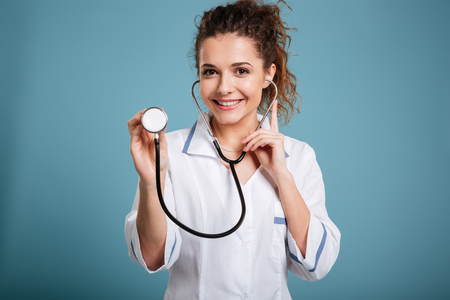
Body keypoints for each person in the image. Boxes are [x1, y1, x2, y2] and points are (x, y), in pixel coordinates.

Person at [125, 0, 340, 299]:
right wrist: (151, 181)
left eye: (241, 70)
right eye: (211, 71)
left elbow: (317, 265)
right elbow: (153, 258)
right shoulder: (166, 152)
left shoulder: (299, 158)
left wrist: (282, 176)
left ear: (268, 75)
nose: (224, 87)